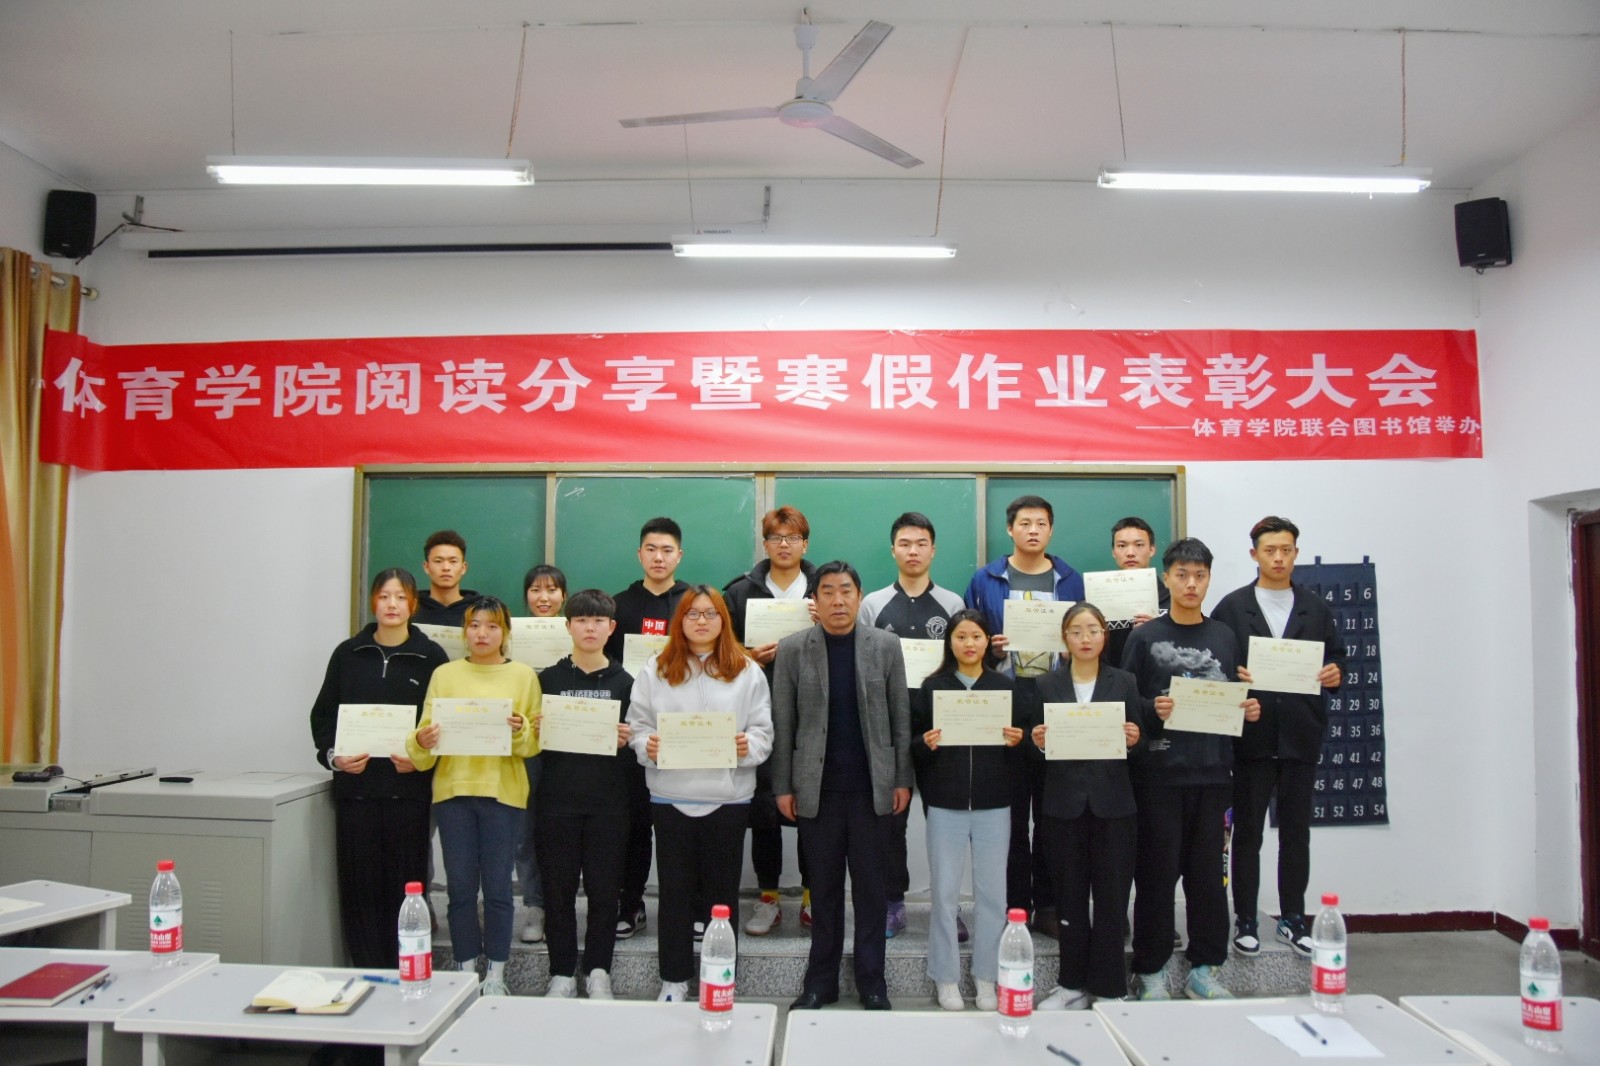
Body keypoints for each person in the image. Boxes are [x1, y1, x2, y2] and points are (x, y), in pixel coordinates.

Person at [1121, 539, 1261, 1001]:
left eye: (1199, 575)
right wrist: (1151, 708)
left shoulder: (1224, 635)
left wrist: (1249, 709)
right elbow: (1125, 702)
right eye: (1181, 575)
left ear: (1208, 579)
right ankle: (1151, 970)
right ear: (1166, 578)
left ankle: (1205, 967)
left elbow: (1234, 696)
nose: (1191, 584)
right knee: (1156, 878)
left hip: (1214, 775)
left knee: (1208, 879)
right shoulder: (1144, 637)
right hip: (1159, 776)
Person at [771, 561, 911, 1011]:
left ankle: (873, 983)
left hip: (873, 791)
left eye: (846, 590)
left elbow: (900, 718)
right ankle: (820, 983)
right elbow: (783, 723)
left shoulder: (885, 646)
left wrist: (902, 779)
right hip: (817, 792)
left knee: (871, 893)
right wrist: (782, 786)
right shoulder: (794, 649)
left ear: (859, 595)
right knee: (824, 892)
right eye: (827, 591)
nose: (837, 600)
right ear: (814, 600)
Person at [626, 586, 773, 1002]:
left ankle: (719, 979)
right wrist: (648, 745)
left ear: (723, 620)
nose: (702, 621)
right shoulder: (656, 667)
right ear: (681, 621)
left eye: (711, 614)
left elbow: (763, 731)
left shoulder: (747, 669)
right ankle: (673, 980)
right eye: (693, 614)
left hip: (728, 798)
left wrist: (748, 746)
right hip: (670, 796)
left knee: (722, 896)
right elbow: (637, 725)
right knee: (673, 894)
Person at [1210, 516, 1344, 958]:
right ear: (1254, 554)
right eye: (1270, 550)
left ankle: (1292, 918)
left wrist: (1335, 673)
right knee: (1248, 832)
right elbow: (1214, 666)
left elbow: (1337, 658)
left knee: (1296, 833)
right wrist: (1236, 678)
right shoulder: (1233, 607)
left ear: (1296, 553)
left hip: (1301, 734)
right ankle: (1246, 919)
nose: (1279, 558)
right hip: (1252, 738)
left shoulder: (1315, 608)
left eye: (1286, 550)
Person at [310, 568, 447, 969]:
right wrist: (334, 757)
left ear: (413, 605)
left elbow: (441, 724)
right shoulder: (348, 654)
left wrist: (421, 760)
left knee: (406, 887)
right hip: (357, 793)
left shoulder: (431, 656)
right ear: (373, 602)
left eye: (401, 597)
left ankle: (406, 969)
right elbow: (323, 716)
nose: (392, 605)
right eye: (385, 596)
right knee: (360, 887)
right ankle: (368, 971)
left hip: (408, 794)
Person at [963, 494, 1086, 936]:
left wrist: (1071, 652)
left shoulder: (1070, 579)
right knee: (1010, 817)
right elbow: (966, 637)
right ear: (1010, 529)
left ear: (1051, 529)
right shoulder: (985, 579)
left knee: (1053, 814)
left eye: (1041, 523)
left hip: (1057, 704)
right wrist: (991, 649)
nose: (1033, 530)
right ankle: (1015, 905)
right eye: (1025, 523)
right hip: (1006, 706)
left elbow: (1088, 635)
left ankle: (1049, 905)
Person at [406, 596, 540, 997]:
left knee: (498, 889)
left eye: (492, 626)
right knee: (460, 888)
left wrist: (519, 729)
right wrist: (422, 739)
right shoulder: (445, 675)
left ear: (506, 632)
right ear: (465, 631)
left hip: (503, 793)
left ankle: (496, 973)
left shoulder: (523, 676)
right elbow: (422, 744)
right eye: (475, 625)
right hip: (454, 792)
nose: (482, 633)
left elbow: (533, 745)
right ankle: (465, 970)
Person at [1030, 602, 1145, 1010]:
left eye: (1093, 630)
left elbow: (1140, 747)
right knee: (1070, 901)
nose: (1085, 638)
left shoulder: (1124, 682)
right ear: (1064, 638)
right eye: (1076, 631)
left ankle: (1111, 987)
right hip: (1063, 808)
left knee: (1112, 901)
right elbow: (1034, 751)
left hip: (1114, 807)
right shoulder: (1045, 685)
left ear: (1104, 636)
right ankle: (1071, 985)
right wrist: (1037, 742)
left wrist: (1135, 739)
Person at [859, 511, 967, 940]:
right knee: (890, 821)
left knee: (945, 822)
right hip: (888, 729)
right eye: (905, 544)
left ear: (933, 550)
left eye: (921, 543)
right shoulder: (872, 604)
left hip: (941, 728)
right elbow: (863, 664)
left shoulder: (953, 604)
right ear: (893, 550)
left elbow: (963, 662)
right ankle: (893, 903)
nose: (913, 551)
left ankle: (948, 907)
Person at [913, 608, 1021, 1011]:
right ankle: (946, 978)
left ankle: (986, 977)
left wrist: (1017, 742)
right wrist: (925, 743)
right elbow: (911, 745)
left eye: (976, 636)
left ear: (987, 641)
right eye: (961, 636)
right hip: (946, 803)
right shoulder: (933, 687)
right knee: (944, 895)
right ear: (950, 642)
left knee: (993, 895)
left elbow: (1024, 751)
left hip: (994, 803)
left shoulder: (1004, 687)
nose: (969, 643)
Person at [724, 506, 818, 936]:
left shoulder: (824, 588)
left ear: (805, 544)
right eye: (776, 537)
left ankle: (812, 897)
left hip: (812, 714)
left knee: (813, 808)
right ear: (764, 544)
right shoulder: (740, 592)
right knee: (764, 810)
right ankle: (768, 898)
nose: (784, 545)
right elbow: (716, 650)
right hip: (757, 713)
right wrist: (747, 657)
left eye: (793, 537)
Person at [535, 588, 633, 1001]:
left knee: (604, 891)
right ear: (568, 626)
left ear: (612, 628)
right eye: (581, 620)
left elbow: (642, 741)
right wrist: (534, 729)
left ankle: (598, 970)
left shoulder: (627, 682)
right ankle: (560, 972)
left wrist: (629, 738)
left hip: (609, 805)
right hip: (556, 802)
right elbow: (530, 741)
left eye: (598, 621)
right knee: (557, 890)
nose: (589, 628)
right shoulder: (547, 679)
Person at [605, 517, 692, 941]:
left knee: (683, 823)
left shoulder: (694, 604)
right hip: (631, 731)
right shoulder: (617, 606)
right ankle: (631, 902)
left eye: (667, 550)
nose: (659, 557)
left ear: (679, 556)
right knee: (634, 823)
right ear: (639, 554)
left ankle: (689, 906)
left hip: (686, 729)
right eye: (651, 549)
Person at [516, 564, 567, 945]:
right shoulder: (509, 636)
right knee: (526, 829)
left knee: (563, 829)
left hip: (568, 746)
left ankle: (562, 903)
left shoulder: (578, 631)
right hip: (524, 747)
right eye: (536, 590)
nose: (544, 597)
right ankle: (535, 904)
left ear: (564, 596)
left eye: (551, 590)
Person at [1103, 517, 1172, 668]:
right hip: (1113, 678)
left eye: (1139, 545)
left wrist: (1159, 630)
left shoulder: (1172, 601)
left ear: (1152, 549)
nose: (1130, 553)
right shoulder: (1097, 601)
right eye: (1122, 546)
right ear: (1114, 552)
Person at [414, 530, 479, 626]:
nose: (446, 568)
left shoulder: (480, 610)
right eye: (438, 561)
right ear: (426, 567)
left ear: (463, 568)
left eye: (453, 561)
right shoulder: (410, 609)